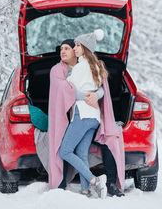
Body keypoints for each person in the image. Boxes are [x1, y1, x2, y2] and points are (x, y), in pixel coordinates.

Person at [48, 31, 125, 198]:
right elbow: (101, 89)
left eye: (77, 45)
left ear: (85, 48)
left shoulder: (79, 68)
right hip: (95, 117)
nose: (75, 48)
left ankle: (94, 181)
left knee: (64, 151)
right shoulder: (97, 66)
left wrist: (69, 81)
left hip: (81, 115)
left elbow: (69, 91)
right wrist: (96, 94)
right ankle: (85, 190)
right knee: (82, 152)